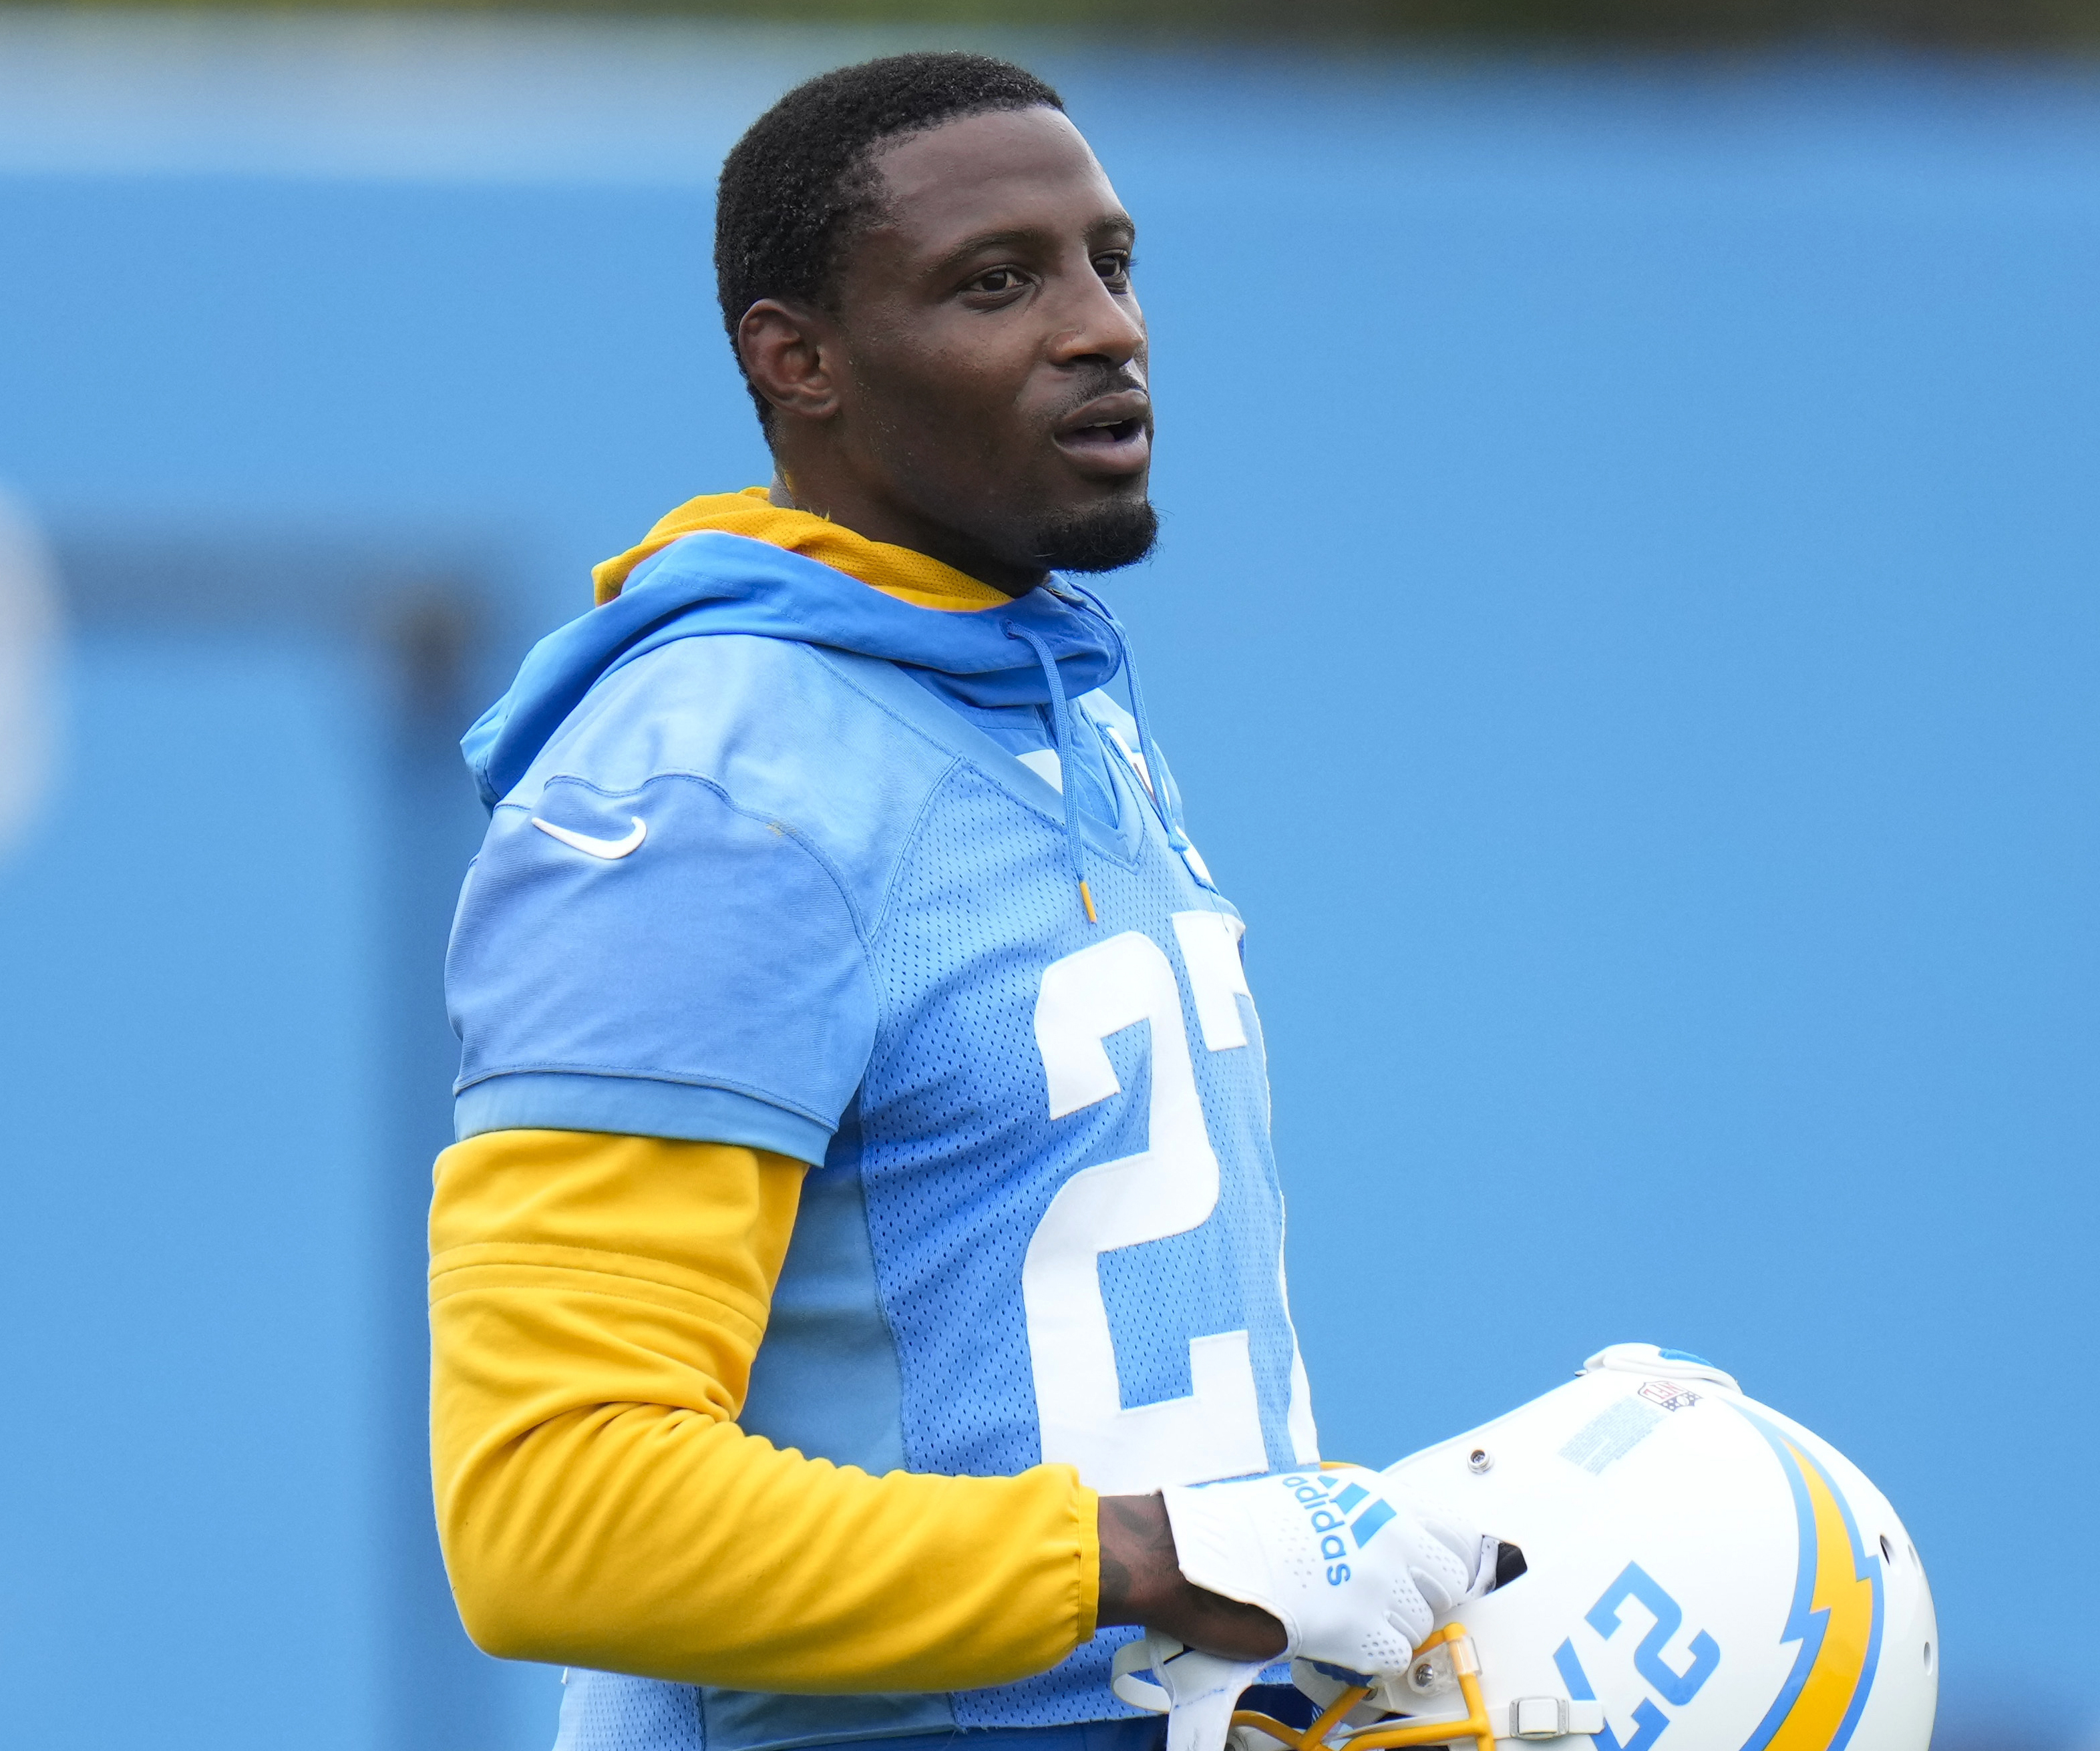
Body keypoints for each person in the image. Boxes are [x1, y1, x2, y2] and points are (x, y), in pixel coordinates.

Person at [431, 51, 1482, 1751]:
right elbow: (555, 1511)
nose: (1101, 329)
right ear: (800, 363)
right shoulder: (706, 782)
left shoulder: (1034, 688)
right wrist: (1150, 1556)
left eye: (1111, 263)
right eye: (996, 283)